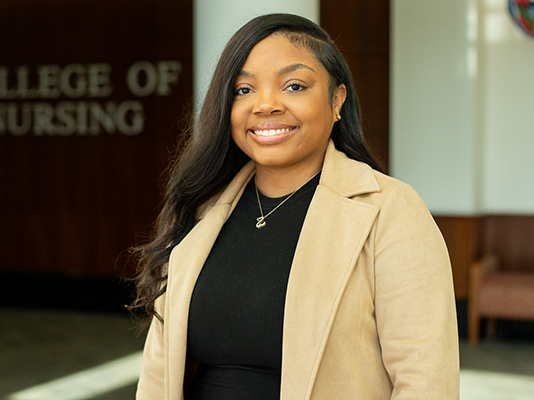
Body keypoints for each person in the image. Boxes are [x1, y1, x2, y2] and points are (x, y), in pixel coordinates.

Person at [130, 13, 459, 400]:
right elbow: (158, 372)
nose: (265, 105)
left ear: (336, 100)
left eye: (294, 85)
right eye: (243, 90)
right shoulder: (202, 210)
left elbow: (426, 381)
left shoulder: (389, 210)